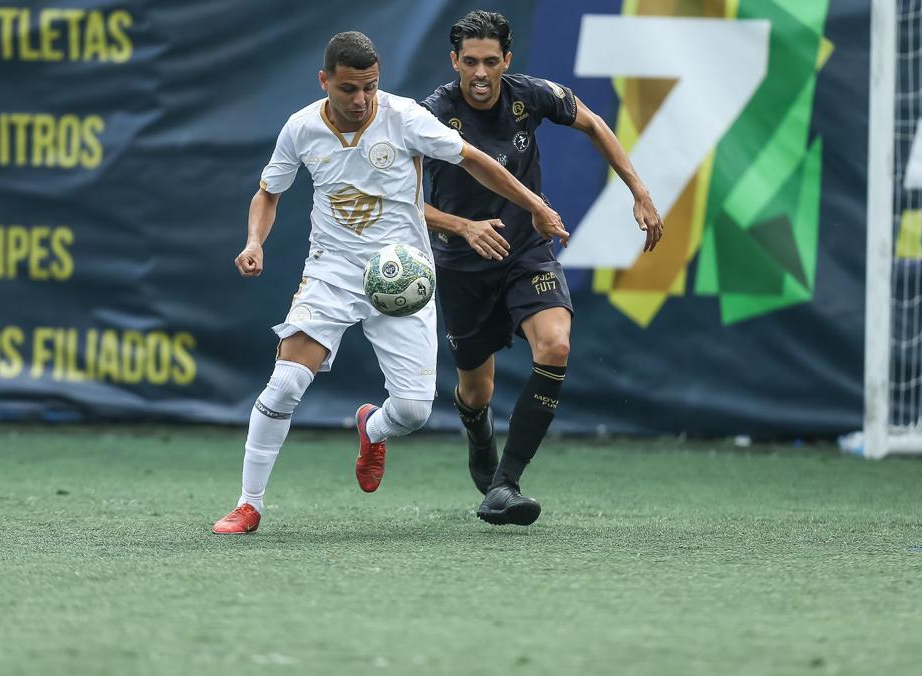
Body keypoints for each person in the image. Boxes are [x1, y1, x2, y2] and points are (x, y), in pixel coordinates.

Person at [213, 30, 568, 534]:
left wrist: (535, 205)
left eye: (370, 87)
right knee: (287, 381)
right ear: (324, 82)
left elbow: (474, 159)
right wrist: (254, 243)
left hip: (404, 276)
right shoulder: (299, 128)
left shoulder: (404, 117)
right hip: (332, 271)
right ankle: (249, 504)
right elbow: (268, 192)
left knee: (413, 411)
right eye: (349, 90)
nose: (361, 100)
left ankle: (371, 427)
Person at [421, 10, 664, 526]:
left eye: (491, 61)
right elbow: (400, 202)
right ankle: (479, 435)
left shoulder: (529, 96)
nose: (481, 73)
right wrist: (463, 226)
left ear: (507, 60)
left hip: (528, 252)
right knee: (476, 391)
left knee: (555, 344)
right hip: (463, 263)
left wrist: (639, 191)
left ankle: (505, 484)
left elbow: (595, 124)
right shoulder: (431, 115)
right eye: (470, 62)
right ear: (454, 62)